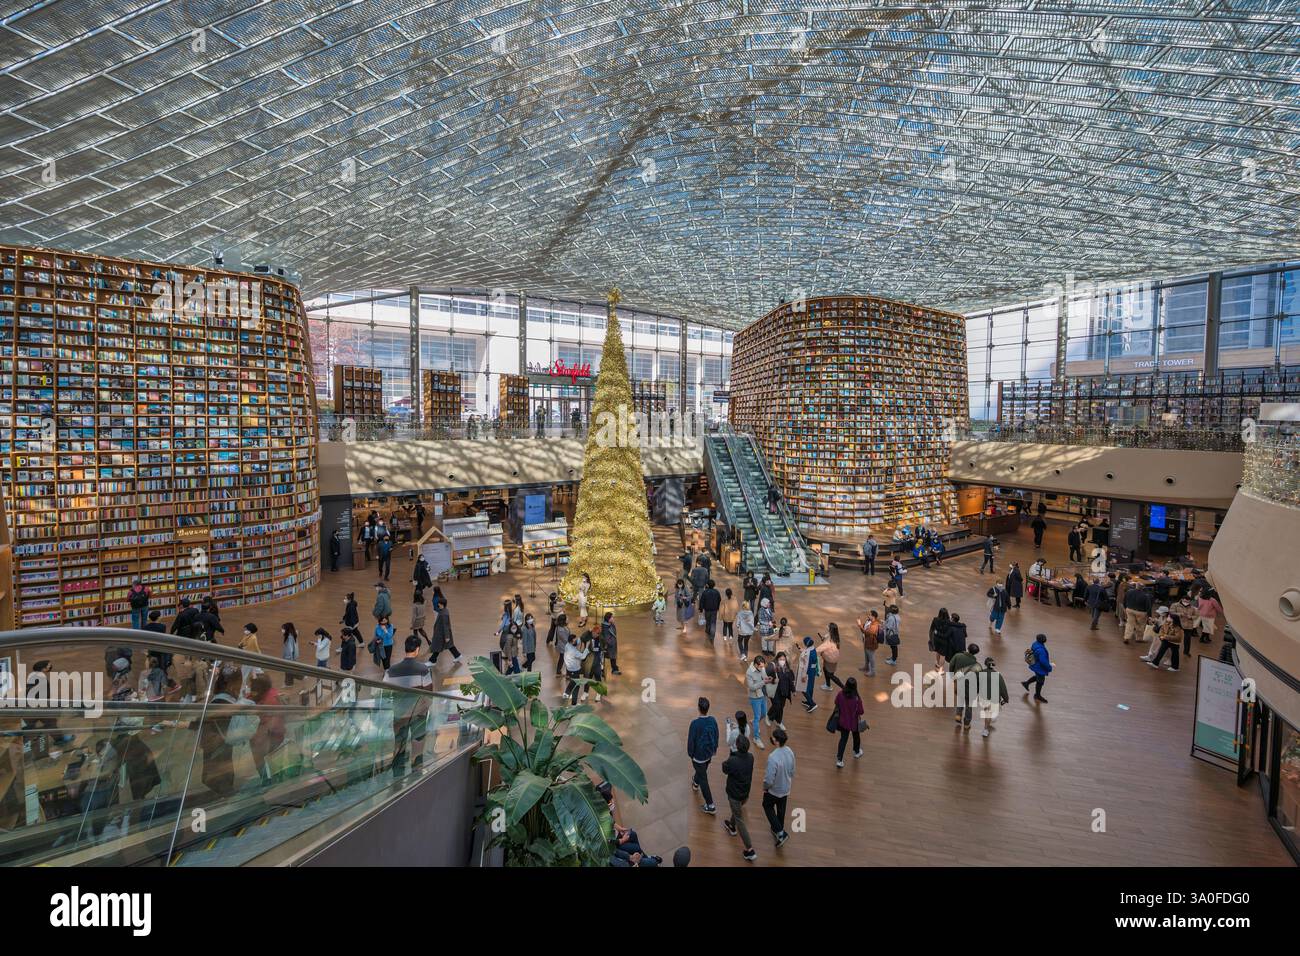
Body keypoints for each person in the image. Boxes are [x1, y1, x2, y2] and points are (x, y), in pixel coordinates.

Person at [383, 635, 434, 774]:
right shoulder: (423, 670)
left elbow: (385, 693)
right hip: (418, 715)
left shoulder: (391, 671)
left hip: (399, 715)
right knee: (418, 746)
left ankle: (397, 777)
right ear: (417, 649)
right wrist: (423, 710)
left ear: (405, 648)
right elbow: (430, 694)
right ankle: (416, 776)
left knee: (399, 745)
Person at [721, 734, 757, 862]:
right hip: (745, 793)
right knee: (737, 812)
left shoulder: (733, 760)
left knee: (740, 819)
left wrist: (731, 756)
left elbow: (724, 768)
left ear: (736, 746)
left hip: (734, 794)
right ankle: (731, 825)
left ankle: (750, 849)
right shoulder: (751, 758)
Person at [762, 726, 795, 847]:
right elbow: (792, 771)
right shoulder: (790, 751)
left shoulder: (773, 757)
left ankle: (780, 832)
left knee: (767, 806)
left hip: (774, 790)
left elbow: (769, 779)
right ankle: (777, 829)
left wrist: (765, 787)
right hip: (786, 788)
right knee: (781, 810)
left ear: (776, 741)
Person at [687, 696, 719, 815]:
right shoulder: (713, 720)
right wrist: (714, 749)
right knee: (701, 772)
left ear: (698, 708)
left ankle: (710, 805)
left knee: (704, 779)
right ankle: (695, 782)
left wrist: (691, 754)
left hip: (698, 757)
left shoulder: (695, 724)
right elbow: (716, 735)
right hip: (709, 753)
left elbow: (691, 741)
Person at [832, 677, 866, 768]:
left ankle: (839, 760)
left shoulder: (840, 694)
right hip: (853, 722)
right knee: (856, 736)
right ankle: (856, 751)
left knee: (843, 740)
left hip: (842, 722)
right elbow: (861, 711)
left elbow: (836, 702)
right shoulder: (856, 699)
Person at [948, 641, 982, 731]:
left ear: (968, 649)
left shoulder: (958, 656)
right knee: (969, 705)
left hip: (958, 684)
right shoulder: (977, 666)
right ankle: (967, 723)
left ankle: (958, 715)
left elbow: (951, 665)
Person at [979, 657, 1010, 737]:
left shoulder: (981, 673)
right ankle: (986, 728)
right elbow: (1003, 688)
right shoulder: (997, 675)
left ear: (985, 664)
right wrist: (1006, 699)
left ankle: (986, 728)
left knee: (987, 712)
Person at [745, 656, 769, 749]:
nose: (762, 668)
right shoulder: (749, 673)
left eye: (763, 666)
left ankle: (755, 721)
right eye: (760, 667)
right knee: (757, 717)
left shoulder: (761, 667)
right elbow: (751, 687)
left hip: (762, 694)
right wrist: (763, 682)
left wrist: (767, 679)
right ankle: (756, 738)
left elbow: (764, 676)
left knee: (764, 713)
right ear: (755, 665)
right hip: (754, 697)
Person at [561, 631, 590, 705]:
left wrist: (587, 632)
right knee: (576, 686)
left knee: (572, 682)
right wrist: (587, 647)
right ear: (572, 641)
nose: (576, 641)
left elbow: (577, 641)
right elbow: (583, 656)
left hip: (569, 669)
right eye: (575, 640)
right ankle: (574, 704)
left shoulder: (567, 645)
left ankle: (566, 694)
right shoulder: (573, 651)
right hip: (575, 670)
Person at [768, 651, 795, 730]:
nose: (782, 661)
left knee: (781, 707)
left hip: (784, 691)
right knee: (777, 705)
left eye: (784, 659)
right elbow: (768, 678)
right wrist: (773, 681)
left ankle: (778, 721)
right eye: (780, 659)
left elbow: (790, 680)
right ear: (777, 659)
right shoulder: (773, 668)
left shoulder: (787, 669)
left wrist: (793, 690)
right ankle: (770, 717)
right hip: (776, 691)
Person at [1022, 633, 1052, 703]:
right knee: (1040, 681)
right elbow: (1043, 661)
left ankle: (1026, 683)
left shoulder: (1035, 643)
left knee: (1038, 676)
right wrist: (1049, 667)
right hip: (1039, 667)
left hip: (1035, 664)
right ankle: (1037, 695)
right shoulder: (1041, 650)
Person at [1123, 578, 1153, 645]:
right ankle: (1138, 638)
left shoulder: (1129, 592)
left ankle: (1126, 637)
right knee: (1140, 625)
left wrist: (1125, 607)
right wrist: (1149, 616)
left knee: (1129, 624)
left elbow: (1124, 600)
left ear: (1136, 586)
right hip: (1141, 612)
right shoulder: (1146, 596)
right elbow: (1148, 606)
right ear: (1143, 588)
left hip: (1130, 610)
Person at [1173, 593, 1199, 657]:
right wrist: (1179, 614)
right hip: (1178, 623)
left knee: (1187, 639)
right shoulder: (1176, 605)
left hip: (1188, 625)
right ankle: (1173, 649)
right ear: (1182, 600)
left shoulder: (1192, 608)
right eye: (1185, 601)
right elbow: (1171, 612)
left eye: (1188, 601)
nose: (1186, 603)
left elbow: (1196, 615)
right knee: (1174, 637)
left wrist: (1191, 617)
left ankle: (1186, 651)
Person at [797, 636, 819, 712]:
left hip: (807, 672)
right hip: (812, 671)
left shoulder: (807, 653)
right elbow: (807, 653)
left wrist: (803, 676)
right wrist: (802, 650)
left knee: (803, 688)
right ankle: (809, 701)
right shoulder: (813, 649)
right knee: (810, 687)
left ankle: (812, 704)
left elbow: (806, 665)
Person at [857, 610, 881, 676]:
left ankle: (872, 671)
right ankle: (866, 667)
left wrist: (859, 625)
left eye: (869, 615)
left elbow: (867, 632)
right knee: (866, 656)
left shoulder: (875, 624)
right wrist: (861, 624)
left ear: (873, 616)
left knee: (871, 657)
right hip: (866, 642)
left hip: (871, 643)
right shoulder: (869, 621)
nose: (868, 615)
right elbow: (864, 626)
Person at [928, 607, 952, 673]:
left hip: (936, 639)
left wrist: (931, 638)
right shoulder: (948, 622)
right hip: (944, 640)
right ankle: (941, 669)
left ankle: (937, 664)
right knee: (943, 655)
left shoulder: (935, 619)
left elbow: (931, 629)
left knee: (938, 652)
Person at [699, 579, 722, 644]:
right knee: (713, 623)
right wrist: (718, 608)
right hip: (714, 610)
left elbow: (702, 601)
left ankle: (708, 630)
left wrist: (701, 609)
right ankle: (712, 636)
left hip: (707, 610)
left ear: (707, 585)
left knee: (708, 621)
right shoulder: (716, 592)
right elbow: (719, 600)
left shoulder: (705, 592)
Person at [601, 611, 620, 675]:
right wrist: (612, 642)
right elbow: (607, 638)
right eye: (612, 617)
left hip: (612, 644)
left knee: (613, 657)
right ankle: (613, 669)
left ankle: (614, 668)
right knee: (611, 657)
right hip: (610, 645)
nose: (613, 618)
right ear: (608, 619)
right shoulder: (606, 627)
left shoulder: (610, 624)